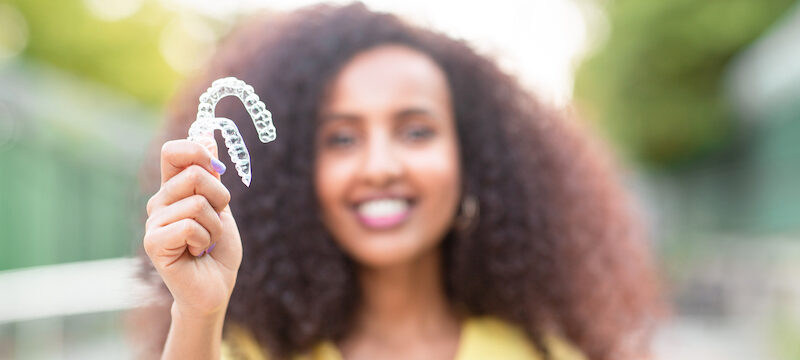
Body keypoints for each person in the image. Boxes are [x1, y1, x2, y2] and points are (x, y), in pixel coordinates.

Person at [137, 3, 662, 360]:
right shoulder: (245, 350)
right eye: (341, 139)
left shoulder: (542, 354)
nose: (381, 165)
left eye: (416, 131)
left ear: (472, 160)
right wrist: (199, 311)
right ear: (300, 177)